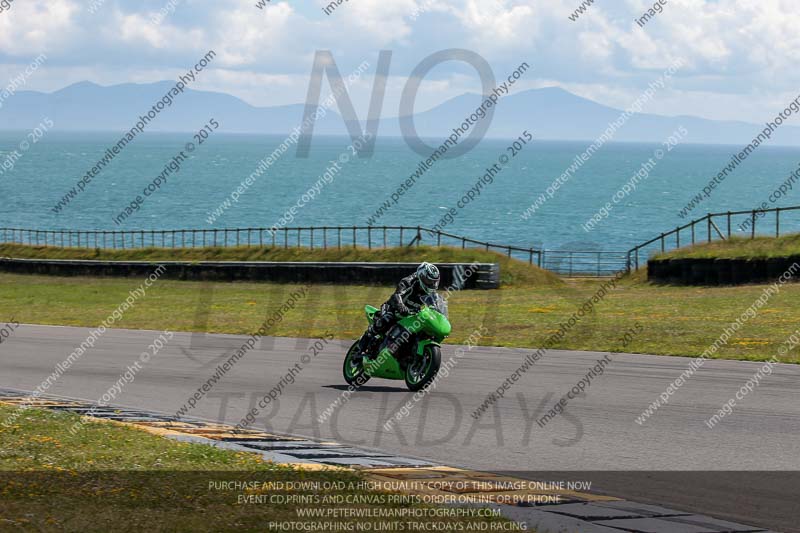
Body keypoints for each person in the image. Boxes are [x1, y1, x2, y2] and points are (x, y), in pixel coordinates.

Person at [357, 262, 440, 356]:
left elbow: (434, 308)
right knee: (387, 318)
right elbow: (397, 295)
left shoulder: (431, 293)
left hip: (412, 315)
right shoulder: (408, 281)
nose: (432, 284)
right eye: (429, 281)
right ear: (421, 276)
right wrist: (401, 306)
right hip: (394, 307)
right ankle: (363, 345)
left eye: (434, 281)